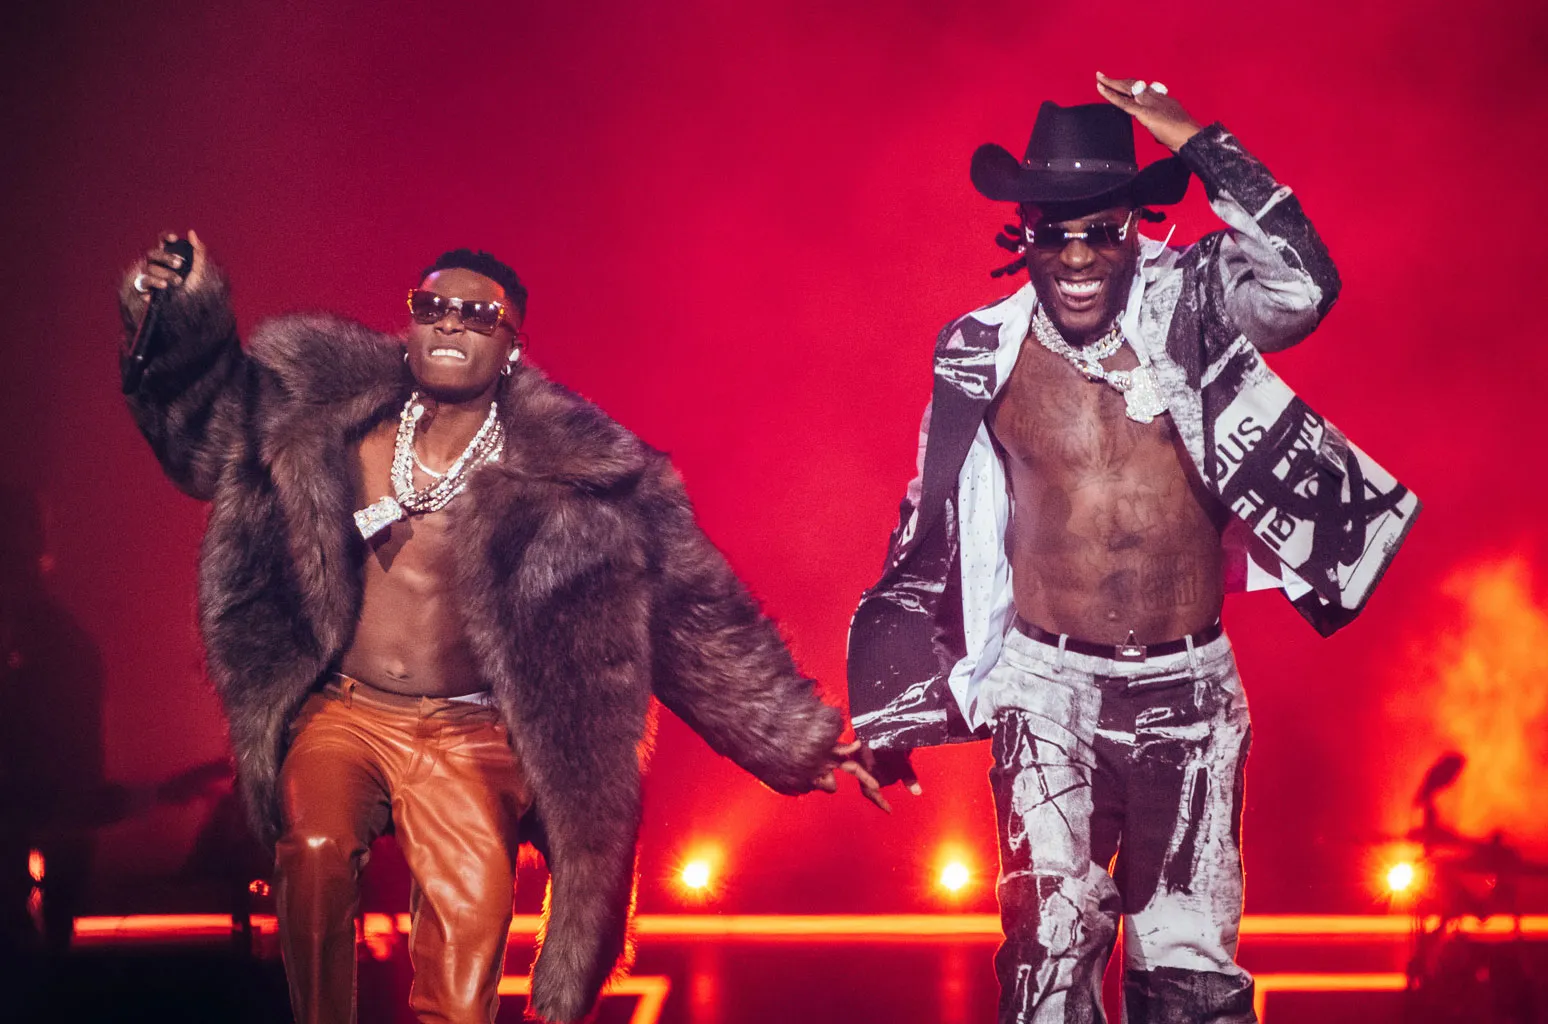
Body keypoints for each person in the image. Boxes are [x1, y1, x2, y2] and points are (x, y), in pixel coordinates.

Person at [120, 237, 883, 1024]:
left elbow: (691, 610)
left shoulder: (578, 480)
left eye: (476, 314)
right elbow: (203, 429)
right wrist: (173, 314)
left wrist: (801, 739)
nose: (450, 323)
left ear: (512, 344)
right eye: (432, 307)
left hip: (472, 736)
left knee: (461, 987)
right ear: (410, 326)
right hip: (345, 715)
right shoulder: (323, 417)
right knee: (313, 851)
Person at [847, 73, 1420, 1022]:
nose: (1077, 256)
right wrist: (894, 709)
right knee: (1046, 963)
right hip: (1045, 688)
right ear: (1022, 235)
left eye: (1101, 231)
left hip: (1190, 691)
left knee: (1190, 979)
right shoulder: (979, 351)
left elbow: (1306, 284)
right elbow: (930, 522)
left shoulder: (1196, 304)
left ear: (1136, 230)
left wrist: (1198, 139)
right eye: (1053, 233)